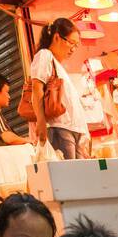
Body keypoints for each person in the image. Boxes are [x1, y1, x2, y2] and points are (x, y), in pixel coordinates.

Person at [30, 18, 90, 161]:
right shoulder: (45, 55)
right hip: (60, 128)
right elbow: (36, 88)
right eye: (71, 43)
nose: (73, 49)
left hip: (74, 129)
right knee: (70, 178)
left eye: (76, 45)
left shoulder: (58, 65)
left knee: (80, 177)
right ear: (57, 37)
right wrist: (41, 122)